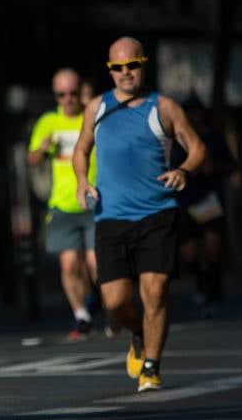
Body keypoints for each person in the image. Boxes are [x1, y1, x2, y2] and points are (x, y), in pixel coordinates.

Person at [73, 37, 204, 393]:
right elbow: (81, 149)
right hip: (111, 217)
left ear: (143, 65)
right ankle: (137, 333)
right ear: (110, 70)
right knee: (114, 302)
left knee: (155, 291)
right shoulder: (98, 107)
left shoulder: (164, 107)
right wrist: (82, 180)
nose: (125, 72)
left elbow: (197, 147)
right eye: (118, 67)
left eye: (132, 65)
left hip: (157, 213)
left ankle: (152, 366)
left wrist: (185, 170)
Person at [27, 68, 98, 340]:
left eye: (72, 93)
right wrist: (42, 149)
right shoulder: (48, 121)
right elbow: (31, 159)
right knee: (69, 265)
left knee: (95, 264)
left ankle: (101, 301)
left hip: (94, 199)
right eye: (61, 94)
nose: (67, 99)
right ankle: (81, 315)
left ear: (80, 91)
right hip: (62, 203)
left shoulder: (92, 116)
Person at [171, 97, 237, 317]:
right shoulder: (175, 140)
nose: (193, 116)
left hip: (208, 200)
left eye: (196, 111)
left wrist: (213, 168)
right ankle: (200, 285)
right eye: (188, 112)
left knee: (212, 249)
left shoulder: (212, 137)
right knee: (189, 253)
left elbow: (231, 166)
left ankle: (213, 289)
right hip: (183, 201)